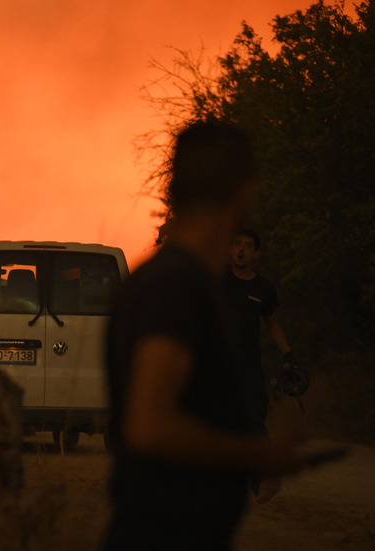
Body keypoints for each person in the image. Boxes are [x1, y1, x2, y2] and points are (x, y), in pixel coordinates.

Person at [102, 122, 303, 550]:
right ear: (244, 190)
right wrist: (257, 455)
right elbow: (150, 425)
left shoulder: (162, 279)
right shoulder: (177, 286)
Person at [222, 227, 300, 501]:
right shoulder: (216, 278)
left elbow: (272, 324)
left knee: (254, 420)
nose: (241, 250)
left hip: (248, 366)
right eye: (237, 244)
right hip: (217, 365)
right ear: (231, 249)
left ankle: (266, 476)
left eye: (248, 246)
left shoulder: (263, 289)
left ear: (256, 254)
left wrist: (288, 355)